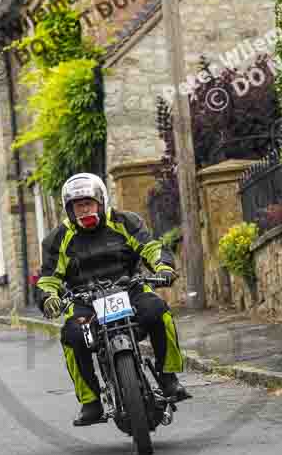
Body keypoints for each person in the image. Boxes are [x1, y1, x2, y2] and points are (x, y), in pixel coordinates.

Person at [37, 172, 188, 426]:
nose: (83, 209)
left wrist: (163, 267)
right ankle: (90, 401)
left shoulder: (125, 221)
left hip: (130, 289)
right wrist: (49, 297)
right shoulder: (57, 238)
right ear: (69, 209)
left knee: (158, 310)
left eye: (88, 203)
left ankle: (168, 376)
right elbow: (48, 278)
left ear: (101, 201)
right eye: (77, 205)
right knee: (72, 336)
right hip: (84, 300)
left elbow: (150, 247)